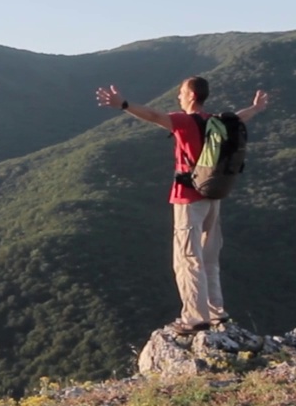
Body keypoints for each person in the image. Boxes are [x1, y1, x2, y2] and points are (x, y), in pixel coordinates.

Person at [95, 77, 269, 335]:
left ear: (191, 95)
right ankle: (216, 312)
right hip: (214, 195)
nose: (178, 96)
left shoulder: (185, 121)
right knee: (210, 258)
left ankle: (194, 318)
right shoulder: (217, 121)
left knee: (188, 259)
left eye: (180, 92)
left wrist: (124, 104)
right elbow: (240, 118)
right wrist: (255, 108)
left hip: (189, 197)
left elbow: (153, 115)